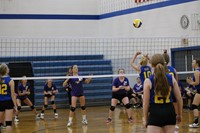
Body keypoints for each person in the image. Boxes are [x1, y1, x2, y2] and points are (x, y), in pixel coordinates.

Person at [143, 54, 182, 133]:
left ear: (151, 65)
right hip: (169, 113)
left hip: (155, 113)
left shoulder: (148, 81)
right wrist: (179, 114)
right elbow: (179, 99)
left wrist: (146, 119)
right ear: (164, 64)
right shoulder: (171, 78)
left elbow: (145, 103)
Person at [0, 63, 18, 133]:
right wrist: (15, 106)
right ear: (6, 70)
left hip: (0, 102)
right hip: (8, 102)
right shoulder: (10, 80)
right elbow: (13, 95)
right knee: (8, 124)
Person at [186, 59, 200, 128]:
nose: (192, 63)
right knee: (194, 106)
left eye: (193, 62)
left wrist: (190, 82)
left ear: (197, 63)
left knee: (194, 106)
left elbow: (197, 83)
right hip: (198, 91)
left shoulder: (197, 71)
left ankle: (196, 122)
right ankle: (196, 122)